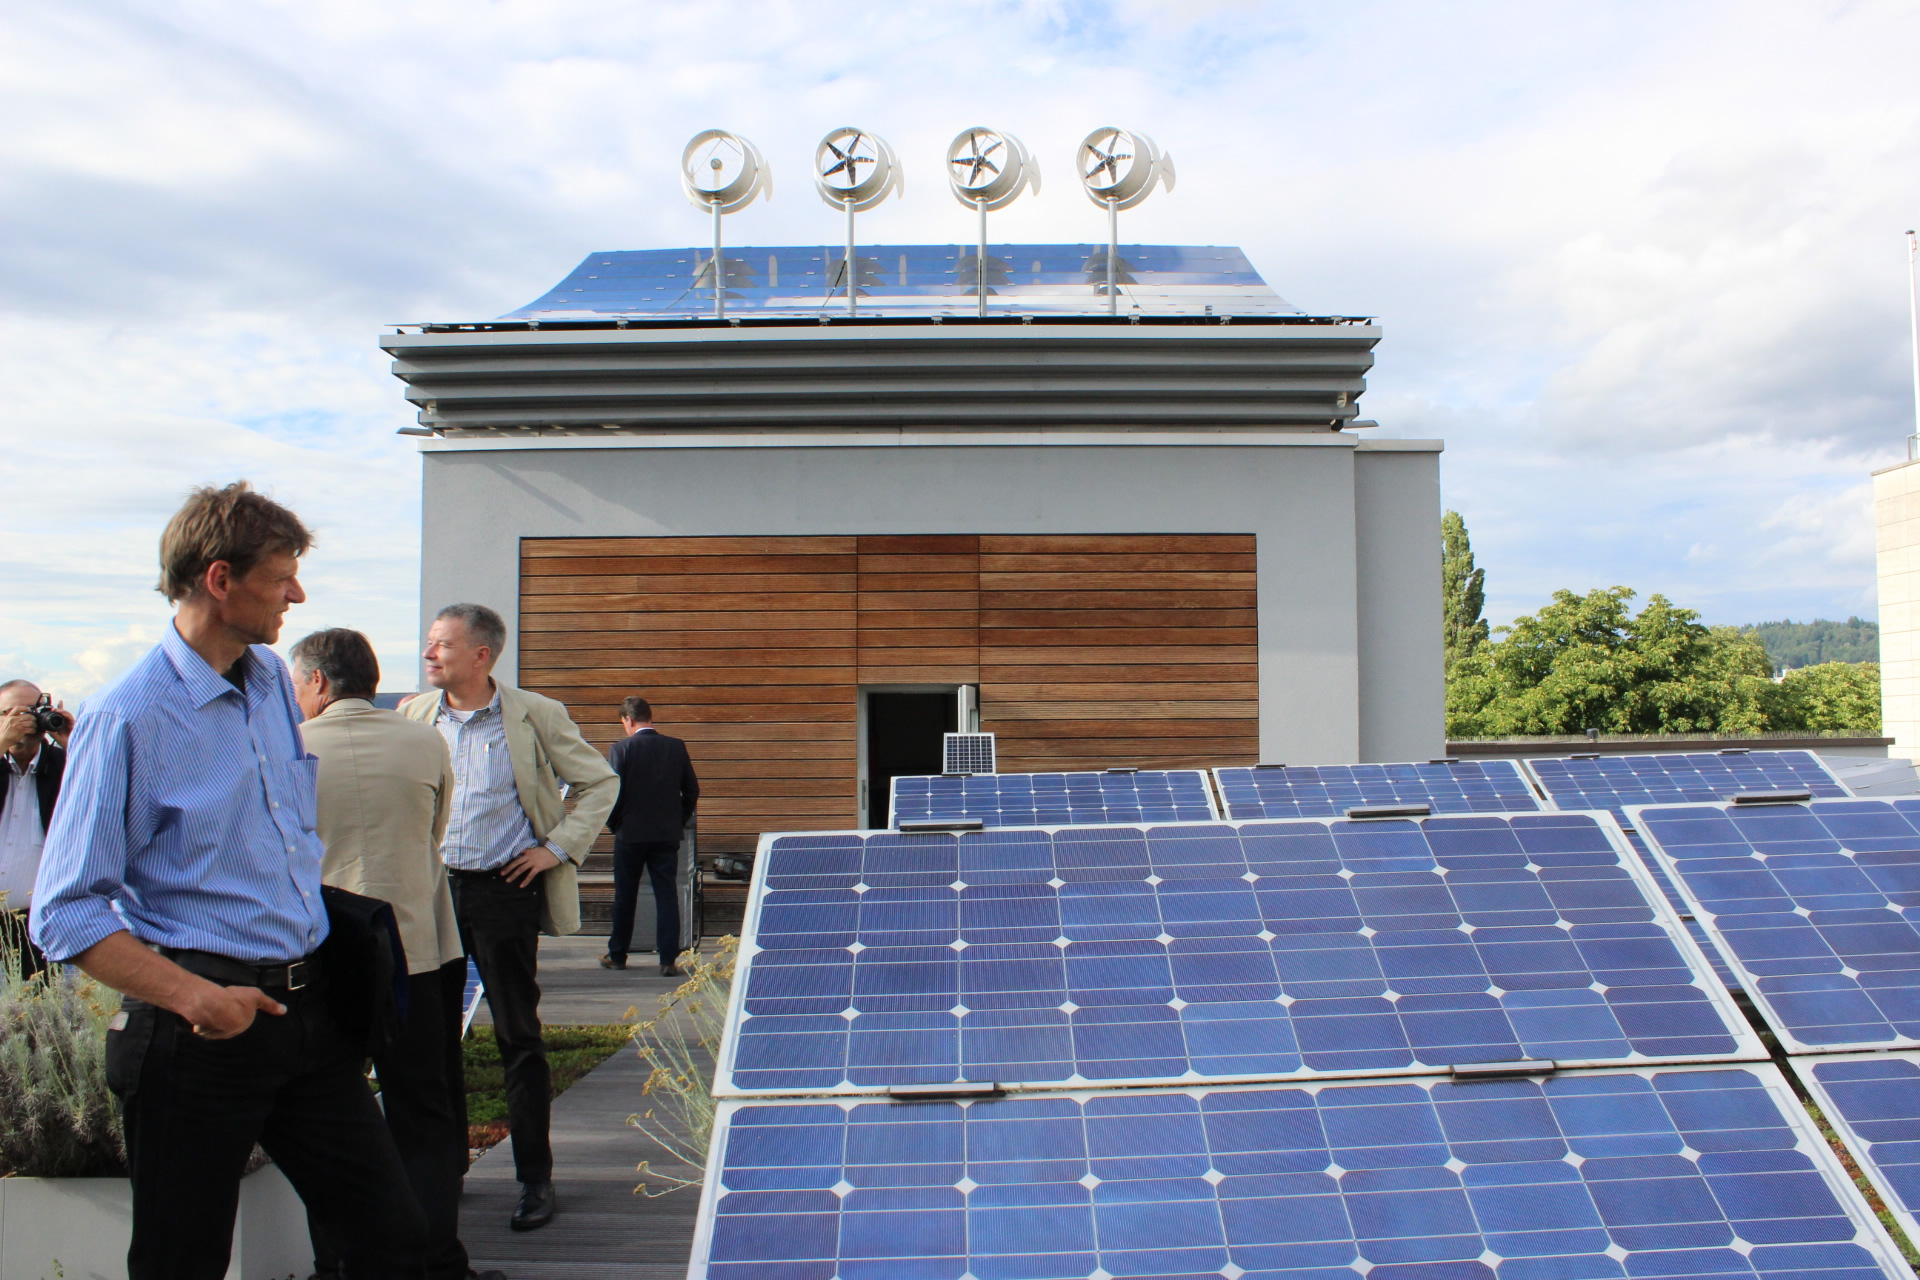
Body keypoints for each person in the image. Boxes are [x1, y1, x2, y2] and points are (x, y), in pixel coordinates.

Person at [29, 481, 425, 1280]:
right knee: (183, 1262)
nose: (297, 594)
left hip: (311, 1018)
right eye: (282, 577)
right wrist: (192, 996)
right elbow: (64, 910)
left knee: (397, 1244)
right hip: (202, 1032)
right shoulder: (125, 717)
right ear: (220, 579)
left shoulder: (274, 679)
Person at [290, 629, 500, 1280]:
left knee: (324, 1117)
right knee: (426, 1112)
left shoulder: (292, 749)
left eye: (297, 683)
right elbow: (434, 830)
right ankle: (437, 1260)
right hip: (418, 946)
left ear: (319, 682)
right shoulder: (423, 739)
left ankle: (338, 1262)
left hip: (324, 955)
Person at [402, 603, 617, 1233]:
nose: (428, 654)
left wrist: (553, 848)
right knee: (432, 1039)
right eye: (429, 644)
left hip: (504, 893)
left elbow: (599, 783)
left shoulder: (534, 715)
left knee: (518, 1038)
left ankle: (533, 1180)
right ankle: (443, 1174)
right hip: (433, 894)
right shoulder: (414, 715)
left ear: (481, 654)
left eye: (441, 645)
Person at [601, 697, 698, 977]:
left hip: (629, 835)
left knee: (625, 896)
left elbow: (612, 794)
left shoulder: (621, 749)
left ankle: (618, 955)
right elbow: (692, 790)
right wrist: (676, 820)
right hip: (666, 835)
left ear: (628, 721)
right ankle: (668, 960)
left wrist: (615, 824)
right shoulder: (675, 747)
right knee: (667, 895)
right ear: (649, 717)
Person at [0, 679, 70, 977]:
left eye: (34, 710)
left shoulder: (66, 764)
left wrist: (74, 740)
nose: (25, 720)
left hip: (39, 921)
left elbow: (114, 790)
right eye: (13, 712)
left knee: (39, 1018)